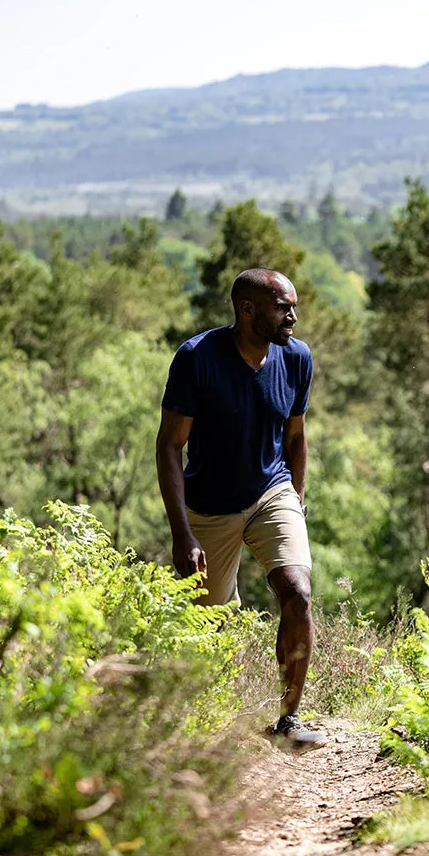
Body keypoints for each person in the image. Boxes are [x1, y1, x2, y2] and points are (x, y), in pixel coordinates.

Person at [156, 268, 325, 750]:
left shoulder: (296, 357)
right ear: (247, 309)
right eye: (283, 307)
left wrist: (297, 496)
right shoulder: (197, 359)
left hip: (273, 491)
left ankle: (288, 720)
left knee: (297, 591)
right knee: (206, 625)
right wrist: (181, 533)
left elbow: (295, 435)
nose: (293, 316)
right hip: (209, 506)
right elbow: (169, 446)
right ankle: (206, 725)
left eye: (294, 305)